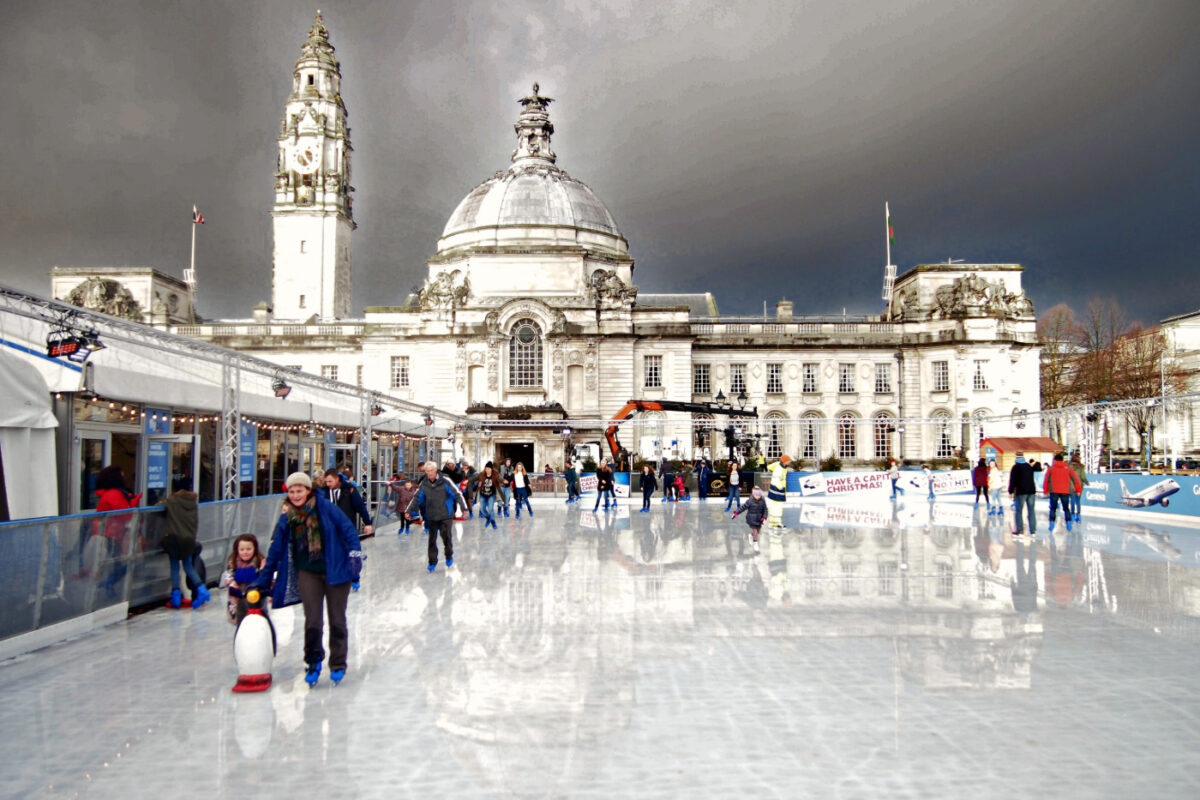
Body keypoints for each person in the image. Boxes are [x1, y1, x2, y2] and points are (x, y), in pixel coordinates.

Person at [255, 472, 364, 687]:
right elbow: (275, 551)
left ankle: (338, 663)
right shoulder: (288, 518)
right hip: (308, 572)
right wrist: (263, 580)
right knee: (312, 620)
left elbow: (348, 530)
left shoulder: (326, 508)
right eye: (292, 491)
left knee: (337, 619)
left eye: (300, 490)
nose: (296, 495)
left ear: (308, 490)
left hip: (336, 570)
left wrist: (354, 555)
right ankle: (313, 661)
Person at [407, 460, 467, 572]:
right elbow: (417, 497)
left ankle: (449, 555)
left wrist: (464, 508)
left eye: (431, 471)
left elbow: (457, 494)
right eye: (427, 471)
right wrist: (408, 510)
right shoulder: (424, 483)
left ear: (435, 470)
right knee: (432, 540)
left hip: (445, 515)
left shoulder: (445, 481)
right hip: (432, 515)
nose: (429, 473)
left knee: (446, 538)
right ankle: (432, 562)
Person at [159, 478, 209, 610]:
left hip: (173, 538)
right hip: (188, 539)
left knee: (175, 567)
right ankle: (202, 590)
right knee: (188, 567)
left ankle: (175, 597)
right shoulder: (192, 502)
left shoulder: (172, 501)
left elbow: (159, 506)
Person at [219, 533, 265, 624]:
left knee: (256, 620)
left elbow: (264, 576)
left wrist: (261, 573)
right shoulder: (233, 562)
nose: (245, 552)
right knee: (240, 619)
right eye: (242, 549)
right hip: (238, 597)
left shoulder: (259, 562)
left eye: (248, 549)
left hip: (255, 596)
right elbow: (228, 575)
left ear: (254, 549)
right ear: (237, 550)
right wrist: (232, 584)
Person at [321, 468, 374, 538]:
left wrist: (367, 523)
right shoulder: (323, 492)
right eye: (326, 482)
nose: (328, 484)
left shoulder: (349, 489)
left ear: (337, 479)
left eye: (330, 481)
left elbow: (360, 506)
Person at [1043, 453, 1082, 532]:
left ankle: (1052, 523)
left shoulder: (1050, 469)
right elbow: (1075, 480)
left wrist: (1045, 490)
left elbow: (1046, 480)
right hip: (1065, 491)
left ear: (1055, 460)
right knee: (1066, 508)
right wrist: (1078, 490)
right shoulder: (1068, 469)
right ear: (1062, 460)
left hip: (1054, 491)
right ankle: (1068, 523)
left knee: (1053, 508)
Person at [1008, 451, 1038, 536]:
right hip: (1031, 491)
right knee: (1031, 510)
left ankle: (1020, 530)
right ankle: (1033, 530)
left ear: (1016, 458)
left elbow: (1012, 480)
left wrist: (1010, 491)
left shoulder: (1015, 467)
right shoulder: (1028, 466)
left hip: (1021, 491)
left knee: (1019, 511)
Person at [732, 486, 767, 553]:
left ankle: (751, 535)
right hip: (751, 518)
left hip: (759, 519)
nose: (758, 496)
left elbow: (765, 510)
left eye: (759, 495)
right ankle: (755, 544)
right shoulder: (750, 501)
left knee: (758, 531)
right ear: (753, 494)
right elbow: (743, 507)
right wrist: (736, 513)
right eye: (756, 495)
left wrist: (764, 517)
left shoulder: (762, 500)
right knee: (755, 531)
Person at [473, 463, 500, 530]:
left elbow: (500, 480)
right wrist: (469, 481)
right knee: (482, 509)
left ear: (491, 469)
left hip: (491, 494)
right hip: (483, 494)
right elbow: (475, 480)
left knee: (490, 508)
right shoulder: (482, 475)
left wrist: (503, 481)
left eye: (488, 469)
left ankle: (493, 522)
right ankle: (488, 518)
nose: (487, 470)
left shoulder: (495, 475)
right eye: (486, 469)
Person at [766, 454, 791, 528]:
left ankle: (775, 523)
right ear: (785, 461)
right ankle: (774, 523)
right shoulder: (779, 469)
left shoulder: (783, 467)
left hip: (777, 490)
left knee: (776, 507)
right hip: (777, 491)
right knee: (777, 507)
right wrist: (781, 488)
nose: (790, 462)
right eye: (788, 460)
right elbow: (776, 480)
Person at [1068, 453, 1088, 523]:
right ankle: (1078, 515)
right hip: (1079, 486)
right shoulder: (1080, 467)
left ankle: (1072, 515)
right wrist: (1087, 482)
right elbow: (1083, 477)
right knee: (1078, 501)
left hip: (1070, 486)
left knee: (1072, 501)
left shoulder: (1068, 467)